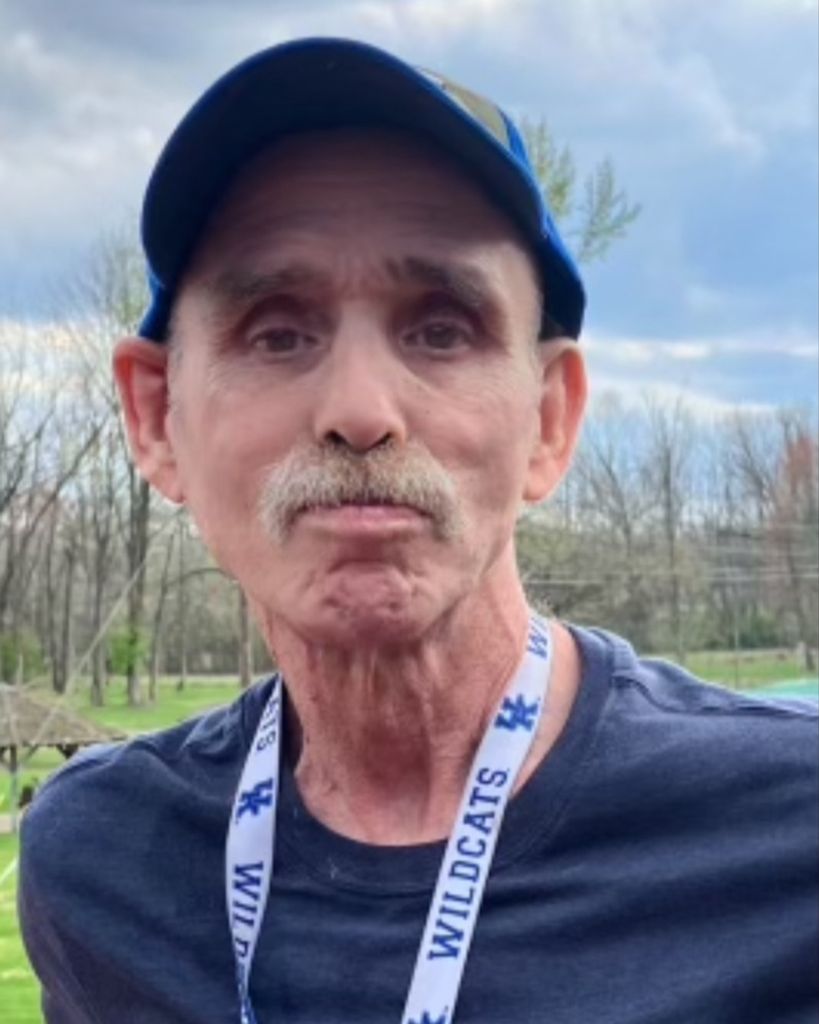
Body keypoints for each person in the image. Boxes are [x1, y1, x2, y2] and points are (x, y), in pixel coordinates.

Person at [19, 38, 817, 1024]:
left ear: (550, 420)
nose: (360, 411)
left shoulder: (793, 834)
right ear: (155, 418)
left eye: (441, 328)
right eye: (277, 332)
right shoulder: (99, 867)